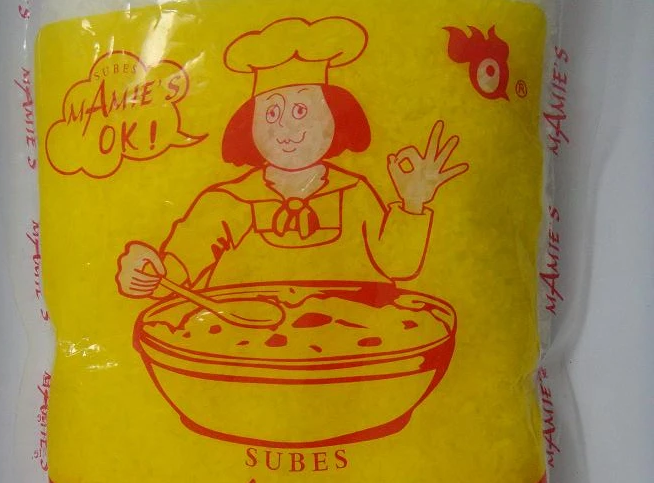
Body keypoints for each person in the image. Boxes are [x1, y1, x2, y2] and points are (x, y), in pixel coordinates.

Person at [116, 16, 468, 298]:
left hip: (353, 345)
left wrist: (412, 203)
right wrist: (148, 274)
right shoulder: (227, 202)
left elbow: (398, 266)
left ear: (335, 116)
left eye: (302, 110)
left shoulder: (353, 193)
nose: (286, 127)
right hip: (239, 347)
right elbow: (178, 272)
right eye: (271, 113)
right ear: (249, 125)